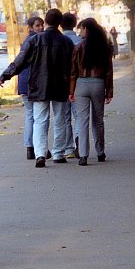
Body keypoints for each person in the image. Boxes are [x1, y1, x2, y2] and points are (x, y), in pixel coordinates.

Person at [0, 8, 75, 168]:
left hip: (39, 85)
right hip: (61, 85)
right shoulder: (67, 42)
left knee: (40, 119)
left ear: (46, 22)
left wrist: (6, 75)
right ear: (60, 23)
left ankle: (40, 154)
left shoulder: (35, 41)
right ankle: (58, 153)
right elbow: (73, 67)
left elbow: (21, 61)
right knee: (60, 119)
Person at [70, 18, 114, 166]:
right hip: (98, 84)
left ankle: (83, 155)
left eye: (81, 29)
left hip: (81, 85)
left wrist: (71, 91)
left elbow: (73, 72)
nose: (80, 31)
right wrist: (109, 92)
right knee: (98, 120)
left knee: (82, 121)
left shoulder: (78, 48)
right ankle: (100, 152)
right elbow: (108, 72)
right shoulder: (104, 47)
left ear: (86, 30)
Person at [18, 16, 44, 160]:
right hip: (33, 83)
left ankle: (30, 148)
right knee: (38, 117)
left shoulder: (26, 41)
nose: (40, 28)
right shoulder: (37, 41)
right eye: (37, 26)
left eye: (42, 25)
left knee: (30, 116)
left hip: (24, 82)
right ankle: (37, 147)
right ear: (31, 28)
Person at [60, 12, 82, 159]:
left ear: (61, 25)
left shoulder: (59, 41)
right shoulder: (81, 41)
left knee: (65, 117)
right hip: (79, 83)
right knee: (79, 115)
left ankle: (68, 149)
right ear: (75, 24)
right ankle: (80, 142)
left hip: (61, 83)